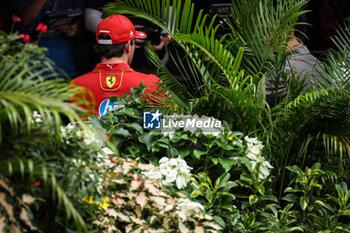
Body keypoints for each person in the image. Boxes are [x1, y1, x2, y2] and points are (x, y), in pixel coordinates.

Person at [70, 15, 161, 117]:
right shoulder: (151, 84)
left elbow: (73, 129)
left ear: (99, 45)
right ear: (128, 46)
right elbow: (157, 129)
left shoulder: (76, 86)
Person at [15, 0, 84, 78]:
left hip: (64, 63)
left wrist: (74, 28)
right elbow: (26, 19)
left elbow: (81, 19)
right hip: (32, 66)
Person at [266, 30, 323, 106]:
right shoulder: (318, 64)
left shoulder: (283, 69)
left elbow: (255, 107)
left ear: (289, 30)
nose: (257, 36)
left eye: (266, 31)